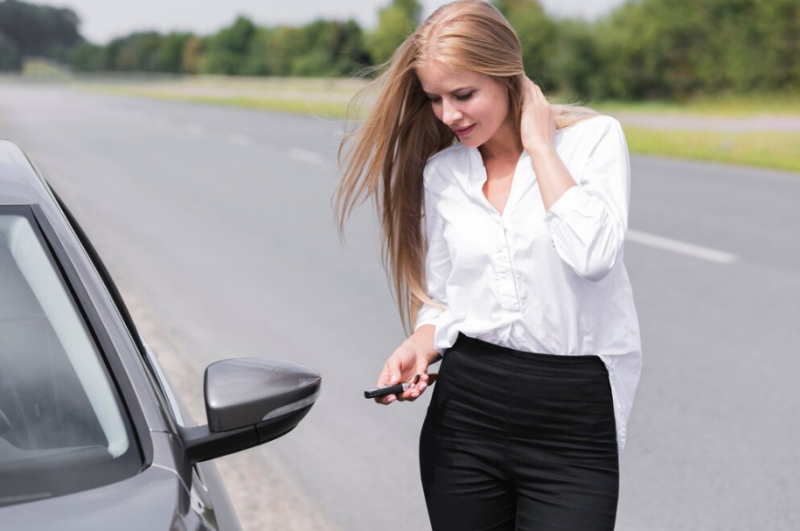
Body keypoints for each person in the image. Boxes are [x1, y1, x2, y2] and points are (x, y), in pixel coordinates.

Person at [336, 1, 642, 529]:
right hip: (466, 415)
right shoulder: (444, 173)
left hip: (573, 420)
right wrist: (420, 341)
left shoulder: (594, 142)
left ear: (508, 77)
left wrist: (540, 146)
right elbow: (444, 298)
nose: (448, 114)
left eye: (464, 94)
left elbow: (593, 257)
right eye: (435, 98)